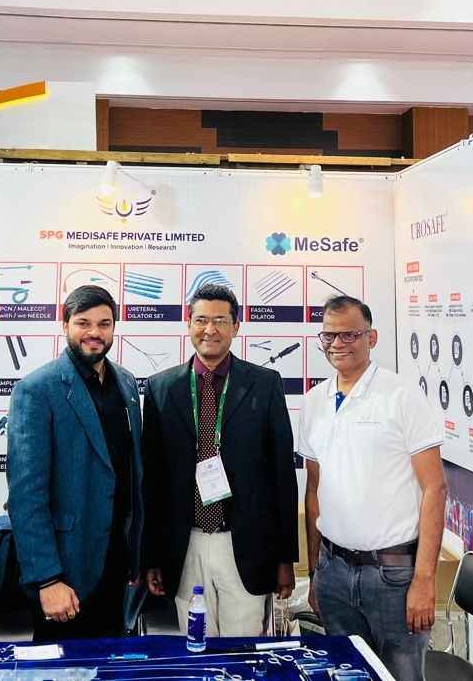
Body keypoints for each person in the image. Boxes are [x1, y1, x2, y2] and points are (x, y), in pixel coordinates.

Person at [302, 296, 447, 681]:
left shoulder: (402, 396)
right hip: (333, 572)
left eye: (349, 334)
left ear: (372, 337)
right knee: (345, 674)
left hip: (393, 577)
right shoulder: (314, 402)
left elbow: (435, 489)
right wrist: (316, 574)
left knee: (400, 675)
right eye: (329, 336)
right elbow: (314, 491)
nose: (338, 344)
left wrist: (424, 580)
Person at [142, 283, 297, 635]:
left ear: (236, 326)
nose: (209, 329)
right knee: (196, 648)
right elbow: (152, 480)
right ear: (188, 323)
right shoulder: (160, 388)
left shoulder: (265, 384)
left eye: (220, 321)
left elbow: (282, 476)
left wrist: (285, 558)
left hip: (245, 545)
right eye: (201, 320)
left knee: (243, 651)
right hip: (185, 545)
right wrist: (151, 556)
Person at [7, 285, 143, 641]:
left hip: (116, 562)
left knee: (112, 661)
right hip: (66, 569)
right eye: (84, 323)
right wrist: (47, 579)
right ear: (65, 323)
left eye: (104, 324)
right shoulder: (37, 390)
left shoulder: (126, 383)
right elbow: (26, 495)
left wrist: (137, 555)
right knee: (63, 665)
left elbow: (130, 473)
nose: (94, 332)